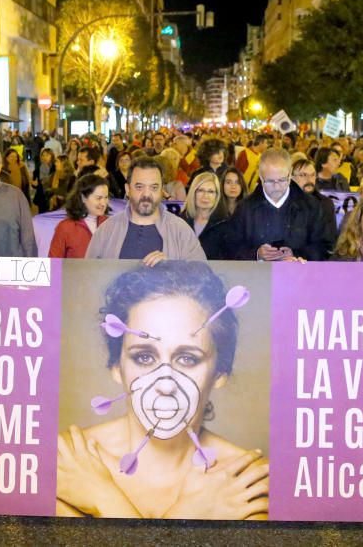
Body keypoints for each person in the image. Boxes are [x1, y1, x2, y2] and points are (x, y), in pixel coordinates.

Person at [57, 261, 268, 519]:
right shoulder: (70, 462)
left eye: (188, 358)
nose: (166, 385)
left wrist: (103, 499)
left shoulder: (244, 480)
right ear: (116, 366)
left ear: (220, 374)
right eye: (144, 357)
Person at [86, 157, 205, 264]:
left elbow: (203, 277)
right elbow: (89, 278)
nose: (146, 194)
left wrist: (172, 269)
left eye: (154, 187)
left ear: (162, 190)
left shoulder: (181, 231)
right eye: (139, 187)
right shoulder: (106, 231)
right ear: (127, 189)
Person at [225, 148, 333, 262]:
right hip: (258, 276)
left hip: (299, 276)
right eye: (270, 181)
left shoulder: (312, 206)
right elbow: (231, 247)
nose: (276, 187)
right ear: (261, 178)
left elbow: (324, 247)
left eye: (282, 180)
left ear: (290, 174)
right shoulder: (245, 208)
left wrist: (297, 254)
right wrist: (256, 254)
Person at [48, 174, 109, 259]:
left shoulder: (110, 224)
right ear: (83, 198)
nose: (103, 203)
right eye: (98, 198)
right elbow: (54, 264)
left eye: (106, 197)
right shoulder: (65, 228)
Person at [180, 172, 229, 260]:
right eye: (200, 190)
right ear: (193, 193)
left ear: (216, 196)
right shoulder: (181, 221)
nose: (205, 196)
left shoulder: (225, 224)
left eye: (211, 192)